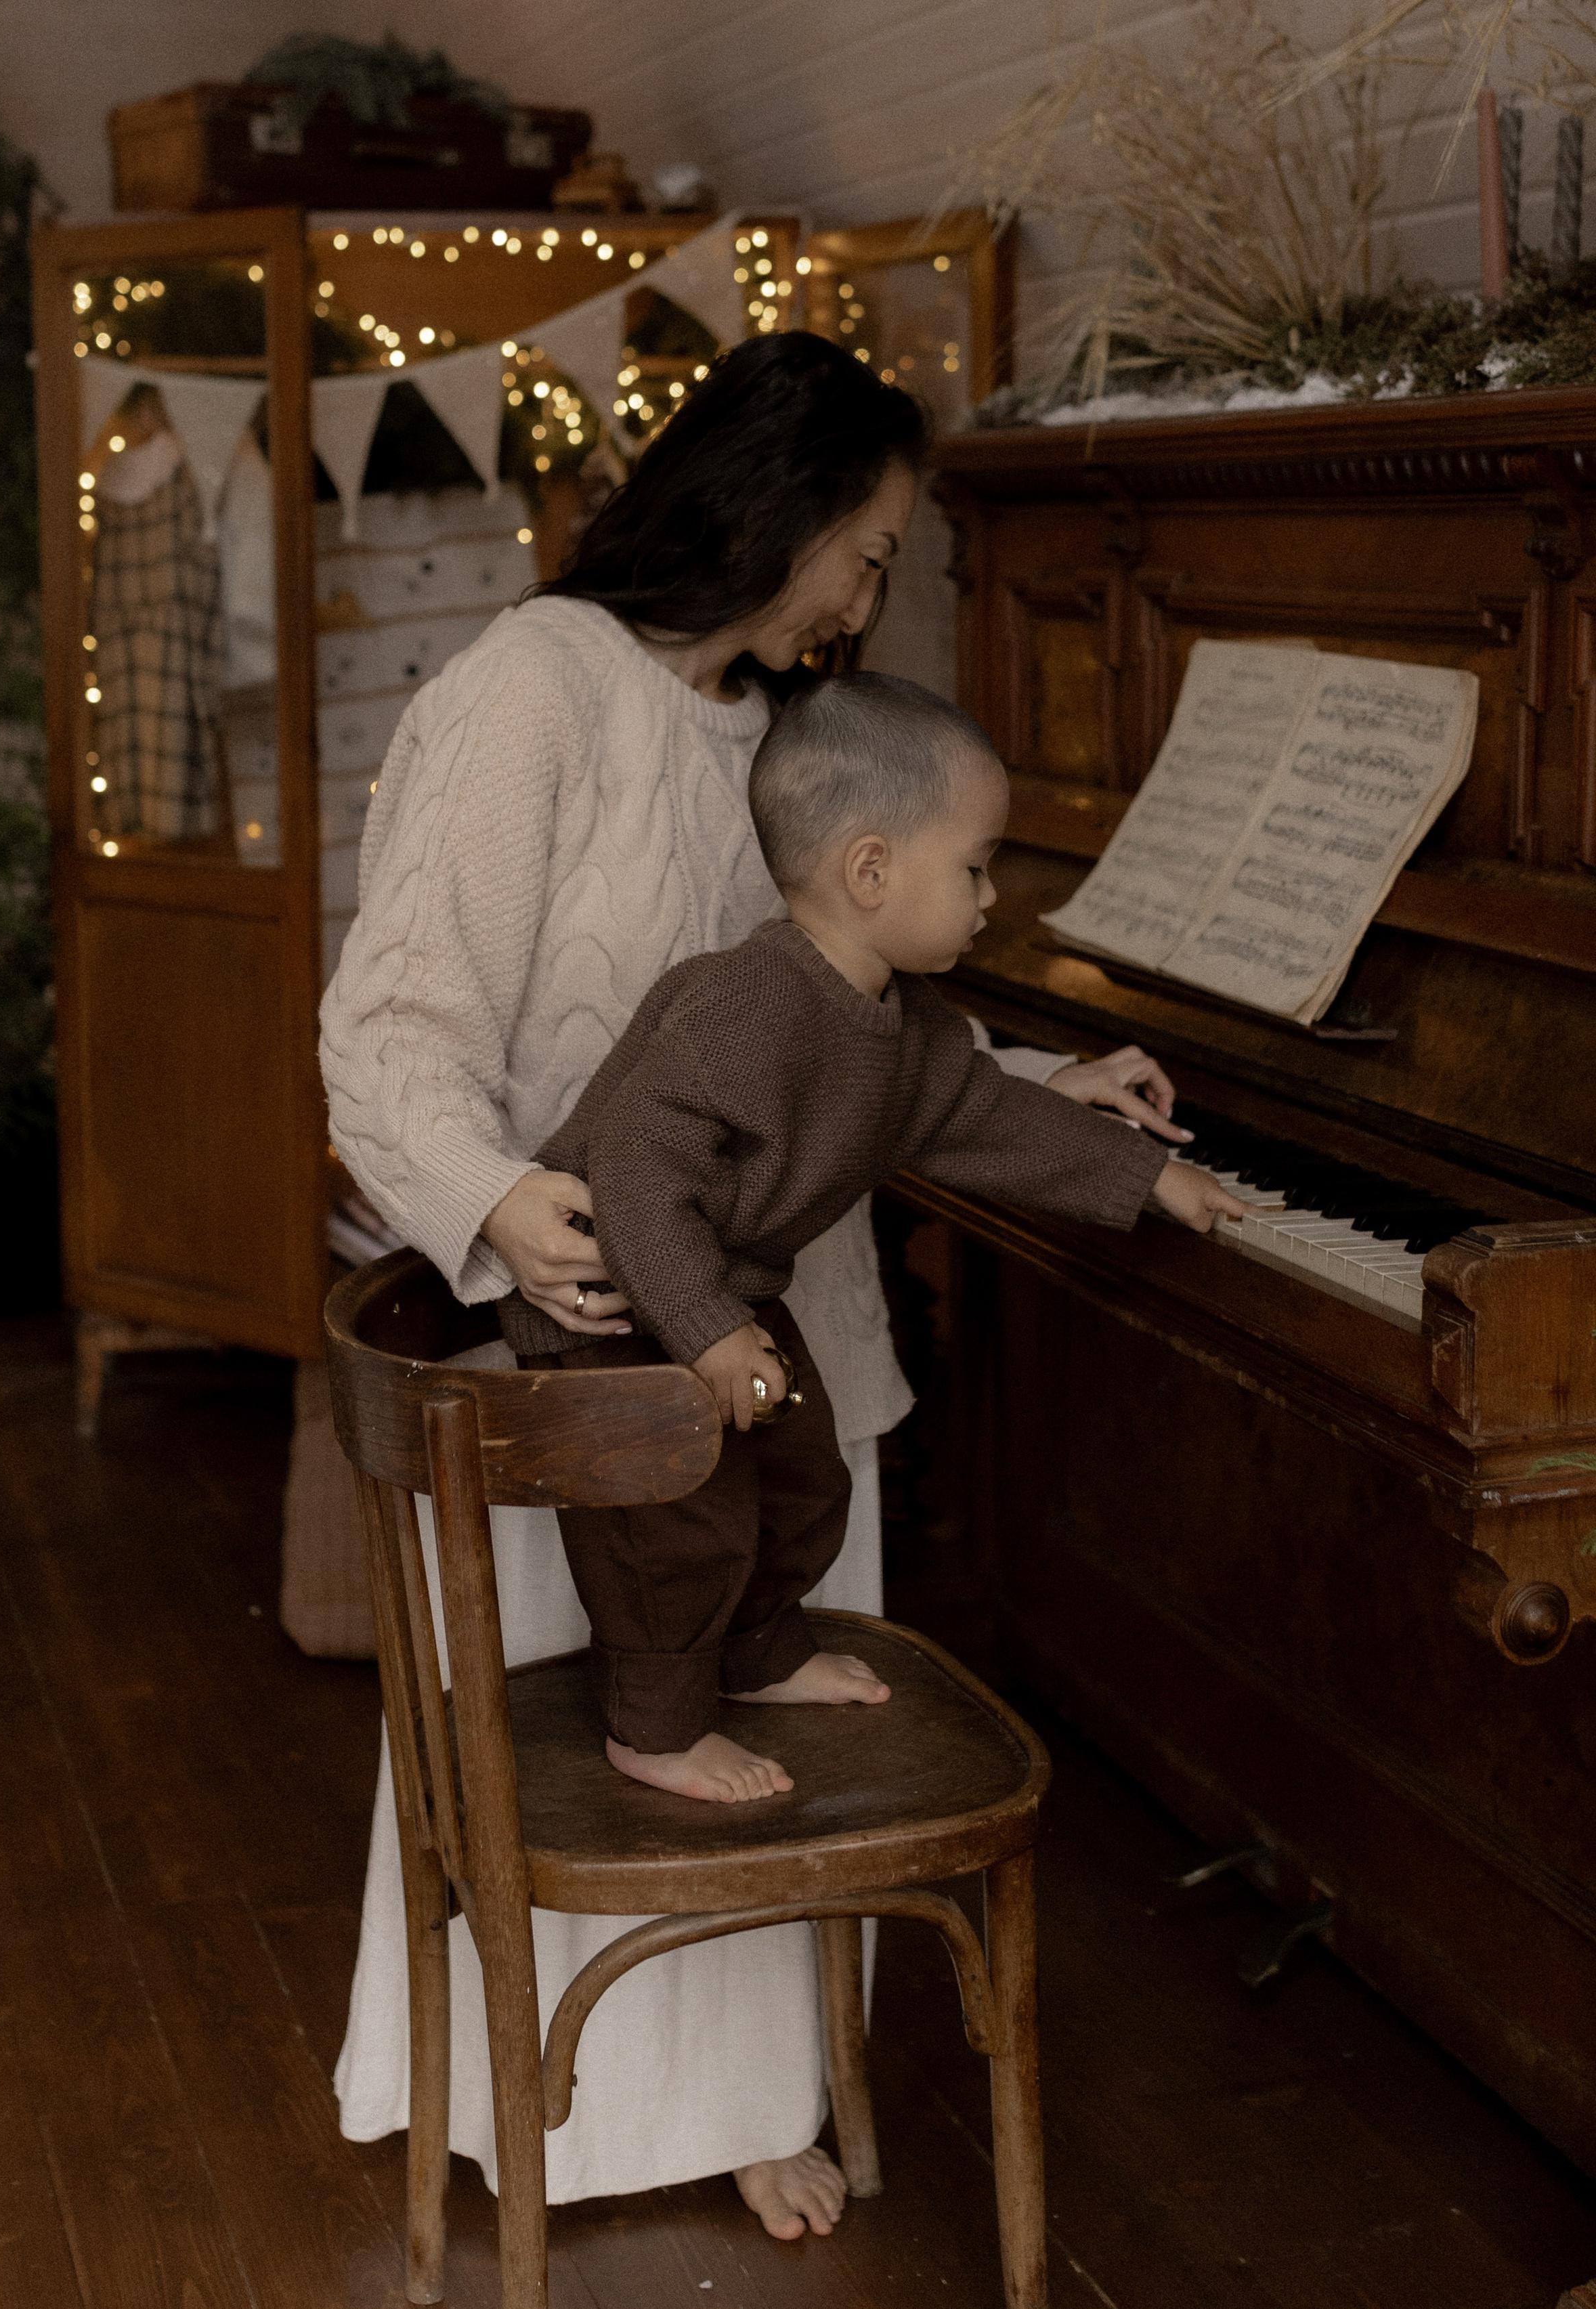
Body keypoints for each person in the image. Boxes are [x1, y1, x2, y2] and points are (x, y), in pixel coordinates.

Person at [319, 331, 1188, 2241]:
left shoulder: (782, 733)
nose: (871, 595)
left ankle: (742, 2094)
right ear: (773, 511)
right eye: (865, 550)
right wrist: (499, 1200)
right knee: (632, 1687)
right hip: (584, 1346)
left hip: (777, 1344)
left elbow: (852, 1020)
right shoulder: (533, 692)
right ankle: (583, 2114)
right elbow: (387, 1032)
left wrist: (1053, 1094)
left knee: (769, 1699)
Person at [500, 673, 1247, 1803]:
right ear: (869, 870)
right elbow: (638, 1183)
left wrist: (1151, 1178)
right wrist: (706, 1335)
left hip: (719, 1296)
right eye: (977, 866)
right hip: (612, 1301)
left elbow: (988, 1112)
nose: (992, 897)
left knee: (800, 1478)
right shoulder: (745, 1005)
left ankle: (756, 1653)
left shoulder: (899, 1025)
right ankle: (653, 1725)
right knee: (674, 1517)